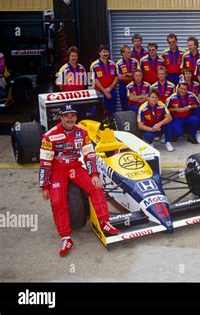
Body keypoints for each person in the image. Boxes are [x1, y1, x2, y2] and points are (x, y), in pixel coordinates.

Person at [39, 103, 120, 256]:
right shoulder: (49, 136)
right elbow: (45, 162)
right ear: (61, 117)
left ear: (76, 117)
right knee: (57, 201)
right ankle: (66, 237)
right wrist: (44, 186)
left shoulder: (82, 133)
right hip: (57, 171)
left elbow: (89, 155)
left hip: (75, 167)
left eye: (73, 115)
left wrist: (94, 174)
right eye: (67, 116)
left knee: (96, 186)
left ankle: (104, 222)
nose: (70, 119)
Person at [90, 44, 119, 116]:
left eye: (107, 52)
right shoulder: (94, 65)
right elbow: (94, 79)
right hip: (99, 92)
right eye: (103, 52)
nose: (106, 54)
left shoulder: (112, 64)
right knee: (100, 113)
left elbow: (116, 77)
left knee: (112, 112)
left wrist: (110, 88)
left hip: (111, 91)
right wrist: (104, 91)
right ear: (99, 53)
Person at [116, 44, 139, 111]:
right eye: (128, 52)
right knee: (124, 104)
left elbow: (138, 75)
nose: (130, 54)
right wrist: (132, 75)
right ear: (123, 53)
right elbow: (119, 78)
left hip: (133, 85)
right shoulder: (118, 63)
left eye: (130, 52)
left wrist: (126, 75)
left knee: (134, 104)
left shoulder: (135, 61)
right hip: (123, 86)